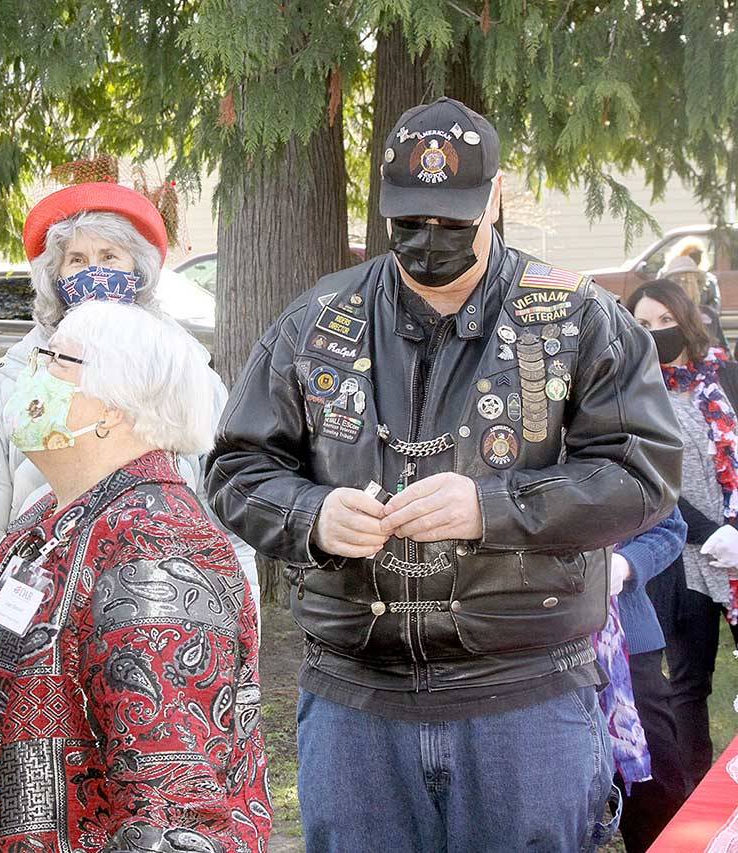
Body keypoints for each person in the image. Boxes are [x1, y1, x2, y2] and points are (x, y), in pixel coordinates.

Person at [206, 97, 682, 851]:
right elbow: (237, 467)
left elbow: (643, 472)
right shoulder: (316, 320)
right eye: (409, 221)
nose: (429, 240)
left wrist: (495, 507)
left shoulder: (580, 319)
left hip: (525, 695)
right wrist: (311, 516)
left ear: (495, 197)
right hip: (356, 699)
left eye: (454, 220)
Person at [0, 301, 271, 852]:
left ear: (113, 408)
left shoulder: (155, 547)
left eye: (55, 361)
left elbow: (175, 808)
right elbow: (33, 689)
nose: (31, 375)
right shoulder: (54, 516)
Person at [0, 182, 258, 642]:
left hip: (161, 615)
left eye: (110, 257)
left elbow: (228, 526)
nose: (95, 274)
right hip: (36, 623)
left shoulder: (186, 373)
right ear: (56, 276)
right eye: (77, 260)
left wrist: (244, 639)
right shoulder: (13, 377)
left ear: (139, 270)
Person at [627, 277, 738, 790]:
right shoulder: (633, 396)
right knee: (688, 686)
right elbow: (654, 480)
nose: (657, 332)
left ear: (687, 320)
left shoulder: (727, 378)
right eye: (644, 324)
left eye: (666, 320)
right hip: (683, 559)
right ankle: (695, 799)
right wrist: (714, 533)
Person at [607, 508, 689, 852]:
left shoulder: (626, 465)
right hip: (527, 654)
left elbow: (670, 528)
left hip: (628, 645)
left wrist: (624, 565)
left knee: (656, 791)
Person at [664, 254, 726, 348]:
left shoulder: (709, 314)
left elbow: (724, 349)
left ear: (697, 285)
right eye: (676, 281)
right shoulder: (664, 316)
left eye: (687, 281)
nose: (681, 286)